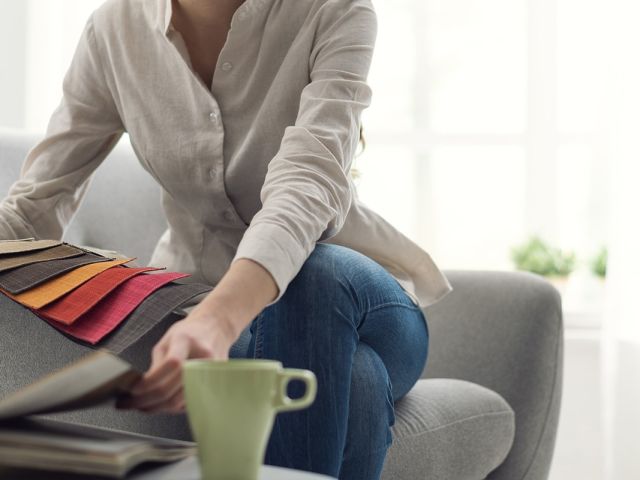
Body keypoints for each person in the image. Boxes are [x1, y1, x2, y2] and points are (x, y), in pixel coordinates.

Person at [0, 0, 452, 478]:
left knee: (314, 271)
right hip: (218, 314)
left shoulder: (335, 10)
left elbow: (307, 182)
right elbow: (35, 204)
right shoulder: (116, 28)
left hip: (361, 305)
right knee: (353, 381)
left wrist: (218, 319)